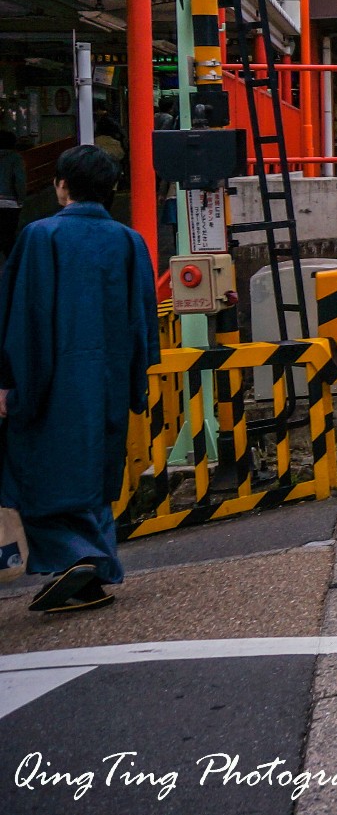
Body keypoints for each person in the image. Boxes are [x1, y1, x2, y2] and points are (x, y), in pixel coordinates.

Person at [0, 145, 158, 613]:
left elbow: (23, 320)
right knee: (94, 475)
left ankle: (79, 558)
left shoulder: (40, 236)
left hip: (51, 382)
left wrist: (10, 385)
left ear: (61, 185)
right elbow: (143, 323)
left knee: (35, 474)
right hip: (107, 381)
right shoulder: (129, 241)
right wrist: (135, 384)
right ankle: (91, 572)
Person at [0, 132, 25, 260]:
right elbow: (19, 180)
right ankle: (11, 263)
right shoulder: (15, 158)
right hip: (10, 202)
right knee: (9, 234)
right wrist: (21, 199)